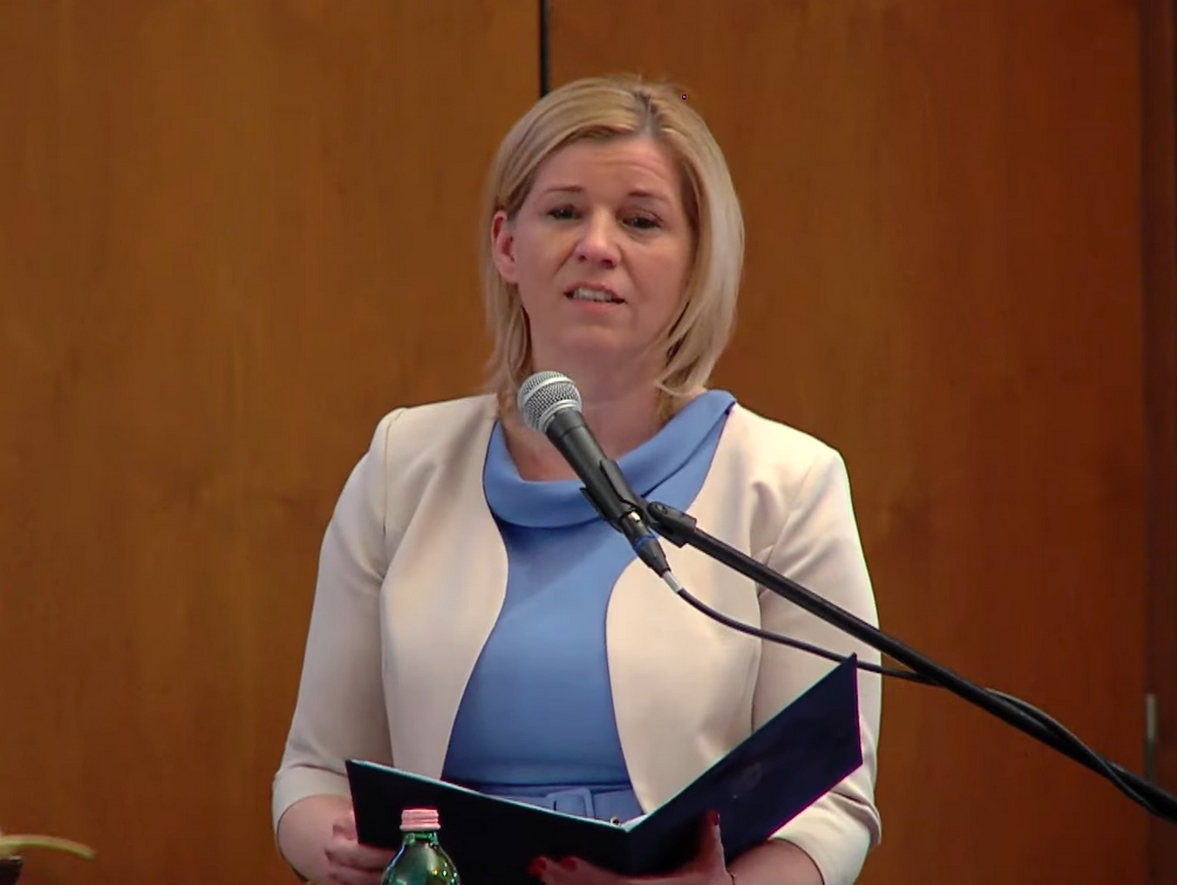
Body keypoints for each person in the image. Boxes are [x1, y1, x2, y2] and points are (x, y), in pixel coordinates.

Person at [272, 73, 883, 885]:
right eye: (564, 212)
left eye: (640, 220)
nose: (598, 244)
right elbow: (312, 771)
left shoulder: (786, 483)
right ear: (506, 245)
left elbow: (833, 805)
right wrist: (345, 851)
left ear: (696, 261)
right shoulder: (402, 465)